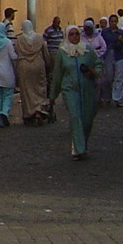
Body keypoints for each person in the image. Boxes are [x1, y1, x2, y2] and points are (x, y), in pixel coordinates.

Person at [50, 25, 103, 161]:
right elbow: (57, 74)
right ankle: (79, 150)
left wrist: (93, 72)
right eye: (72, 34)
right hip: (70, 89)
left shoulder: (87, 50)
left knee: (87, 118)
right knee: (75, 117)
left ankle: (82, 143)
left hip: (87, 89)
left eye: (77, 34)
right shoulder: (62, 53)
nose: (74, 37)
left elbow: (98, 65)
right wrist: (53, 95)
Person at [13, 19, 50, 125]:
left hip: (24, 66)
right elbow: (45, 53)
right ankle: (39, 109)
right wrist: (49, 64)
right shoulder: (39, 38)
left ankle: (30, 113)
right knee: (40, 88)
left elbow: (16, 52)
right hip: (38, 65)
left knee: (27, 91)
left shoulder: (19, 39)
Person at [0, 20, 18, 128]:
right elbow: (13, 56)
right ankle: (5, 112)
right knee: (8, 94)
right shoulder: (7, 42)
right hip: (7, 72)